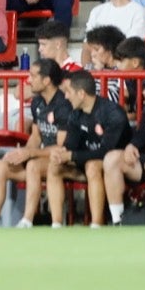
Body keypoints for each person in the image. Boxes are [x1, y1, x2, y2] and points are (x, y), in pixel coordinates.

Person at [0, 59, 69, 228]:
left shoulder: (64, 105)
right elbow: (36, 136)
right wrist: (22, 153)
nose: (28, 80)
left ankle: (27, 221)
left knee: (33, 166)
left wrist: (30, 154)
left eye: (33, 76)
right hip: (40, 157)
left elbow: (62, 147)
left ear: (46, 80)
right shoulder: (37, 102)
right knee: (1, 166)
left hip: (61, 160)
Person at [46, 70, 130, 227]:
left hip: (116, 167)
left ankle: (96, 224)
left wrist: (71, 156)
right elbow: (70, 145)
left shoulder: (113, 113)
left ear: (81, 94)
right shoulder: (75, 114)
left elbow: (106, 152)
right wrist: (61, 153)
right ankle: (56, 224)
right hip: (85, 162)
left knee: (92, 166)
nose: (66, 96)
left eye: (69, 92)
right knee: (54, 166)